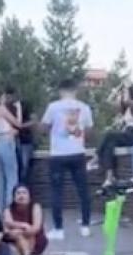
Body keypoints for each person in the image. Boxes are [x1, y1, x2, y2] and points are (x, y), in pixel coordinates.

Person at [40, 79, 94, 240]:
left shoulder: (53, 107)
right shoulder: (84, 107)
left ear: (61, 91)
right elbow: (90, 129)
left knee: (57, 192)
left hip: (58, 153)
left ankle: (58, 229)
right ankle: (85, 226)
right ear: (75, 90)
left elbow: (44, 127)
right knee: (83, 190)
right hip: (77, 152)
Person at [99, 83, 133, 187]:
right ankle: (109, 176)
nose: (123, 94)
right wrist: (115, 94)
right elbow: (110, 103)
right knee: (110, 145)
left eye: (125, 92)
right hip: (127, 133)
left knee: (109, 135)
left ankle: (95, 157)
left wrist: (124, 88)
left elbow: (127, 101)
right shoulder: (127, 110)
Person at [2, 184, 47, 255]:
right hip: (14, 240)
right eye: (18, 193)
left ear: (29, 196)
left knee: (23, 234)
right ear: (14, 197)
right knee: (14, 238)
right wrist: (22, 226)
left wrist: (21, 231)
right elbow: (6, 225)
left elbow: (36, 228)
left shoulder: (35, 207)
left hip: (34, 239)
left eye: (24, 193)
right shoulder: (8, 209)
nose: (21, 196)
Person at [0, 92, 21, 215]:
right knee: (12, 177)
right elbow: (18, 123)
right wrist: (18, 109)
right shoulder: (2, 109)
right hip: (6, 142)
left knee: (2, 179)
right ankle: (10, 209)